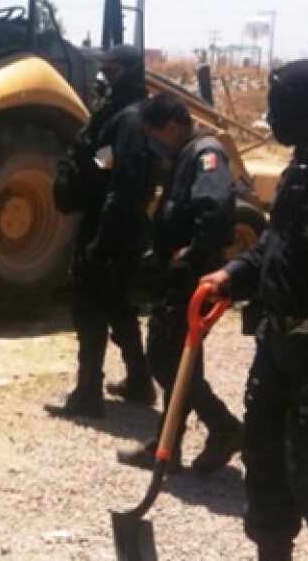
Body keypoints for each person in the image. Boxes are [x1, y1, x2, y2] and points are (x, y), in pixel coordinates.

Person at [201, 60, 308, 561]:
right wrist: (232, 273)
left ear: (305, 105)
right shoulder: (302, 163)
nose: (272, 117)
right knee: (265, 467)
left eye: (279, 105)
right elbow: (277, 246)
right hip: (279, 347)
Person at [116, 91, 243, 473]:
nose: (155, 143)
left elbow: (216, 210)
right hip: (179, 275)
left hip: (193, 277)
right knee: (177, 360)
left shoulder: (207, 155)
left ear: (172, 127)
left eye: (157, 133)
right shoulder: (183, 155)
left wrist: (190, 256)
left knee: (170, 359)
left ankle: (221, 428)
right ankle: (169, 444)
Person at [46, 45, 156, 419]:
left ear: (131, 73)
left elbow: (125, 183)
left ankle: (87, 393)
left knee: (90, 306)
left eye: (113, 72)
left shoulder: (130, 118)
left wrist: (103, 239)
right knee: (116, 304)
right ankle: (140, 381)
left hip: (114, 226)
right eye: (103, 71)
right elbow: (104, 162)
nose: (105, 79)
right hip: (112, 222)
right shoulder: (119, 115)